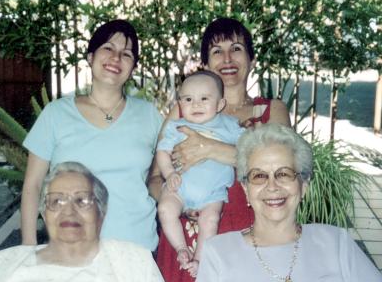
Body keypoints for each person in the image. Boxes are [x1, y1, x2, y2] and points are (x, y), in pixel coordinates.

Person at [152, 17, 291, 281]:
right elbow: (154, 179)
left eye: (236, 48)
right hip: (189, 241)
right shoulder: (183, 111)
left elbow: (283, 171)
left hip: (250, 235)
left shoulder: (272, 111)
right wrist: (178, 202)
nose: (227, 58)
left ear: (251, 59)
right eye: (217, 51)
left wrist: (211, 149)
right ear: (205, 63)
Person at [21, 20, 163, 251]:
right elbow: (32, 185)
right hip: (71, 251)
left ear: (133, 67)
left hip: (136, 249)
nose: (116, 58)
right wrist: (28, 249)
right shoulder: (56, 114)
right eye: (108, 48)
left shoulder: (149, 115)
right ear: (90, 57)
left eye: (126, 54)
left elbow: (162, 175)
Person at [196, 124, 382, 281]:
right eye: (259, 176)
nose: (272, 186)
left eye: (284, 174)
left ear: (303, 186)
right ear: (246, 189)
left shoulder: (336, 243)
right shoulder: (218, 252)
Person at [0, 162, 164, 281]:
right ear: (44, 215)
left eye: (82, 201)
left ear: (101, 213)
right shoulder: (2, 266)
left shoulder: (133, 263)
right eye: (57, 201)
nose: (69, 211)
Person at [156, 70, 244, 276]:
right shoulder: (176, 126)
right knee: (166, 210)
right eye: (188, 99)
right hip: (180, 187)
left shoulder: (229, 125)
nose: (196, 104)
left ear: (220, 104)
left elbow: (250, 149)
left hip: (212, 193)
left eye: (204, 98)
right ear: (179, 103)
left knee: (210, 220)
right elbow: (162, 152)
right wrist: (169, 173)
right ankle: (181, 249)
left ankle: (199, 259)